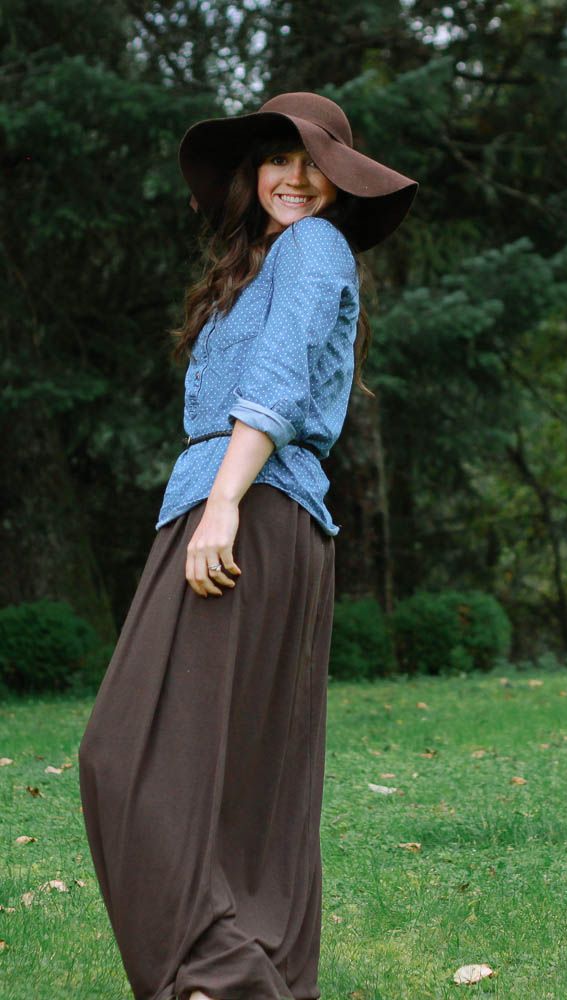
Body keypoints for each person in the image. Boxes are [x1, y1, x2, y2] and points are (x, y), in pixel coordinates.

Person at [78, 91, 418, 1000]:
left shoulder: (312, 247)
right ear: (251, 173)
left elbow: (278, 377)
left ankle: (220, 978)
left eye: (313, 164)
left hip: (248, 508)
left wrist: (225, 502)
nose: (294, 179)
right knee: (244, 779)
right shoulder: (261, 265)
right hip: (256, 509)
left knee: (123, 755)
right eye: (277, 158)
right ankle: (252, 975)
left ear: (340, 182)